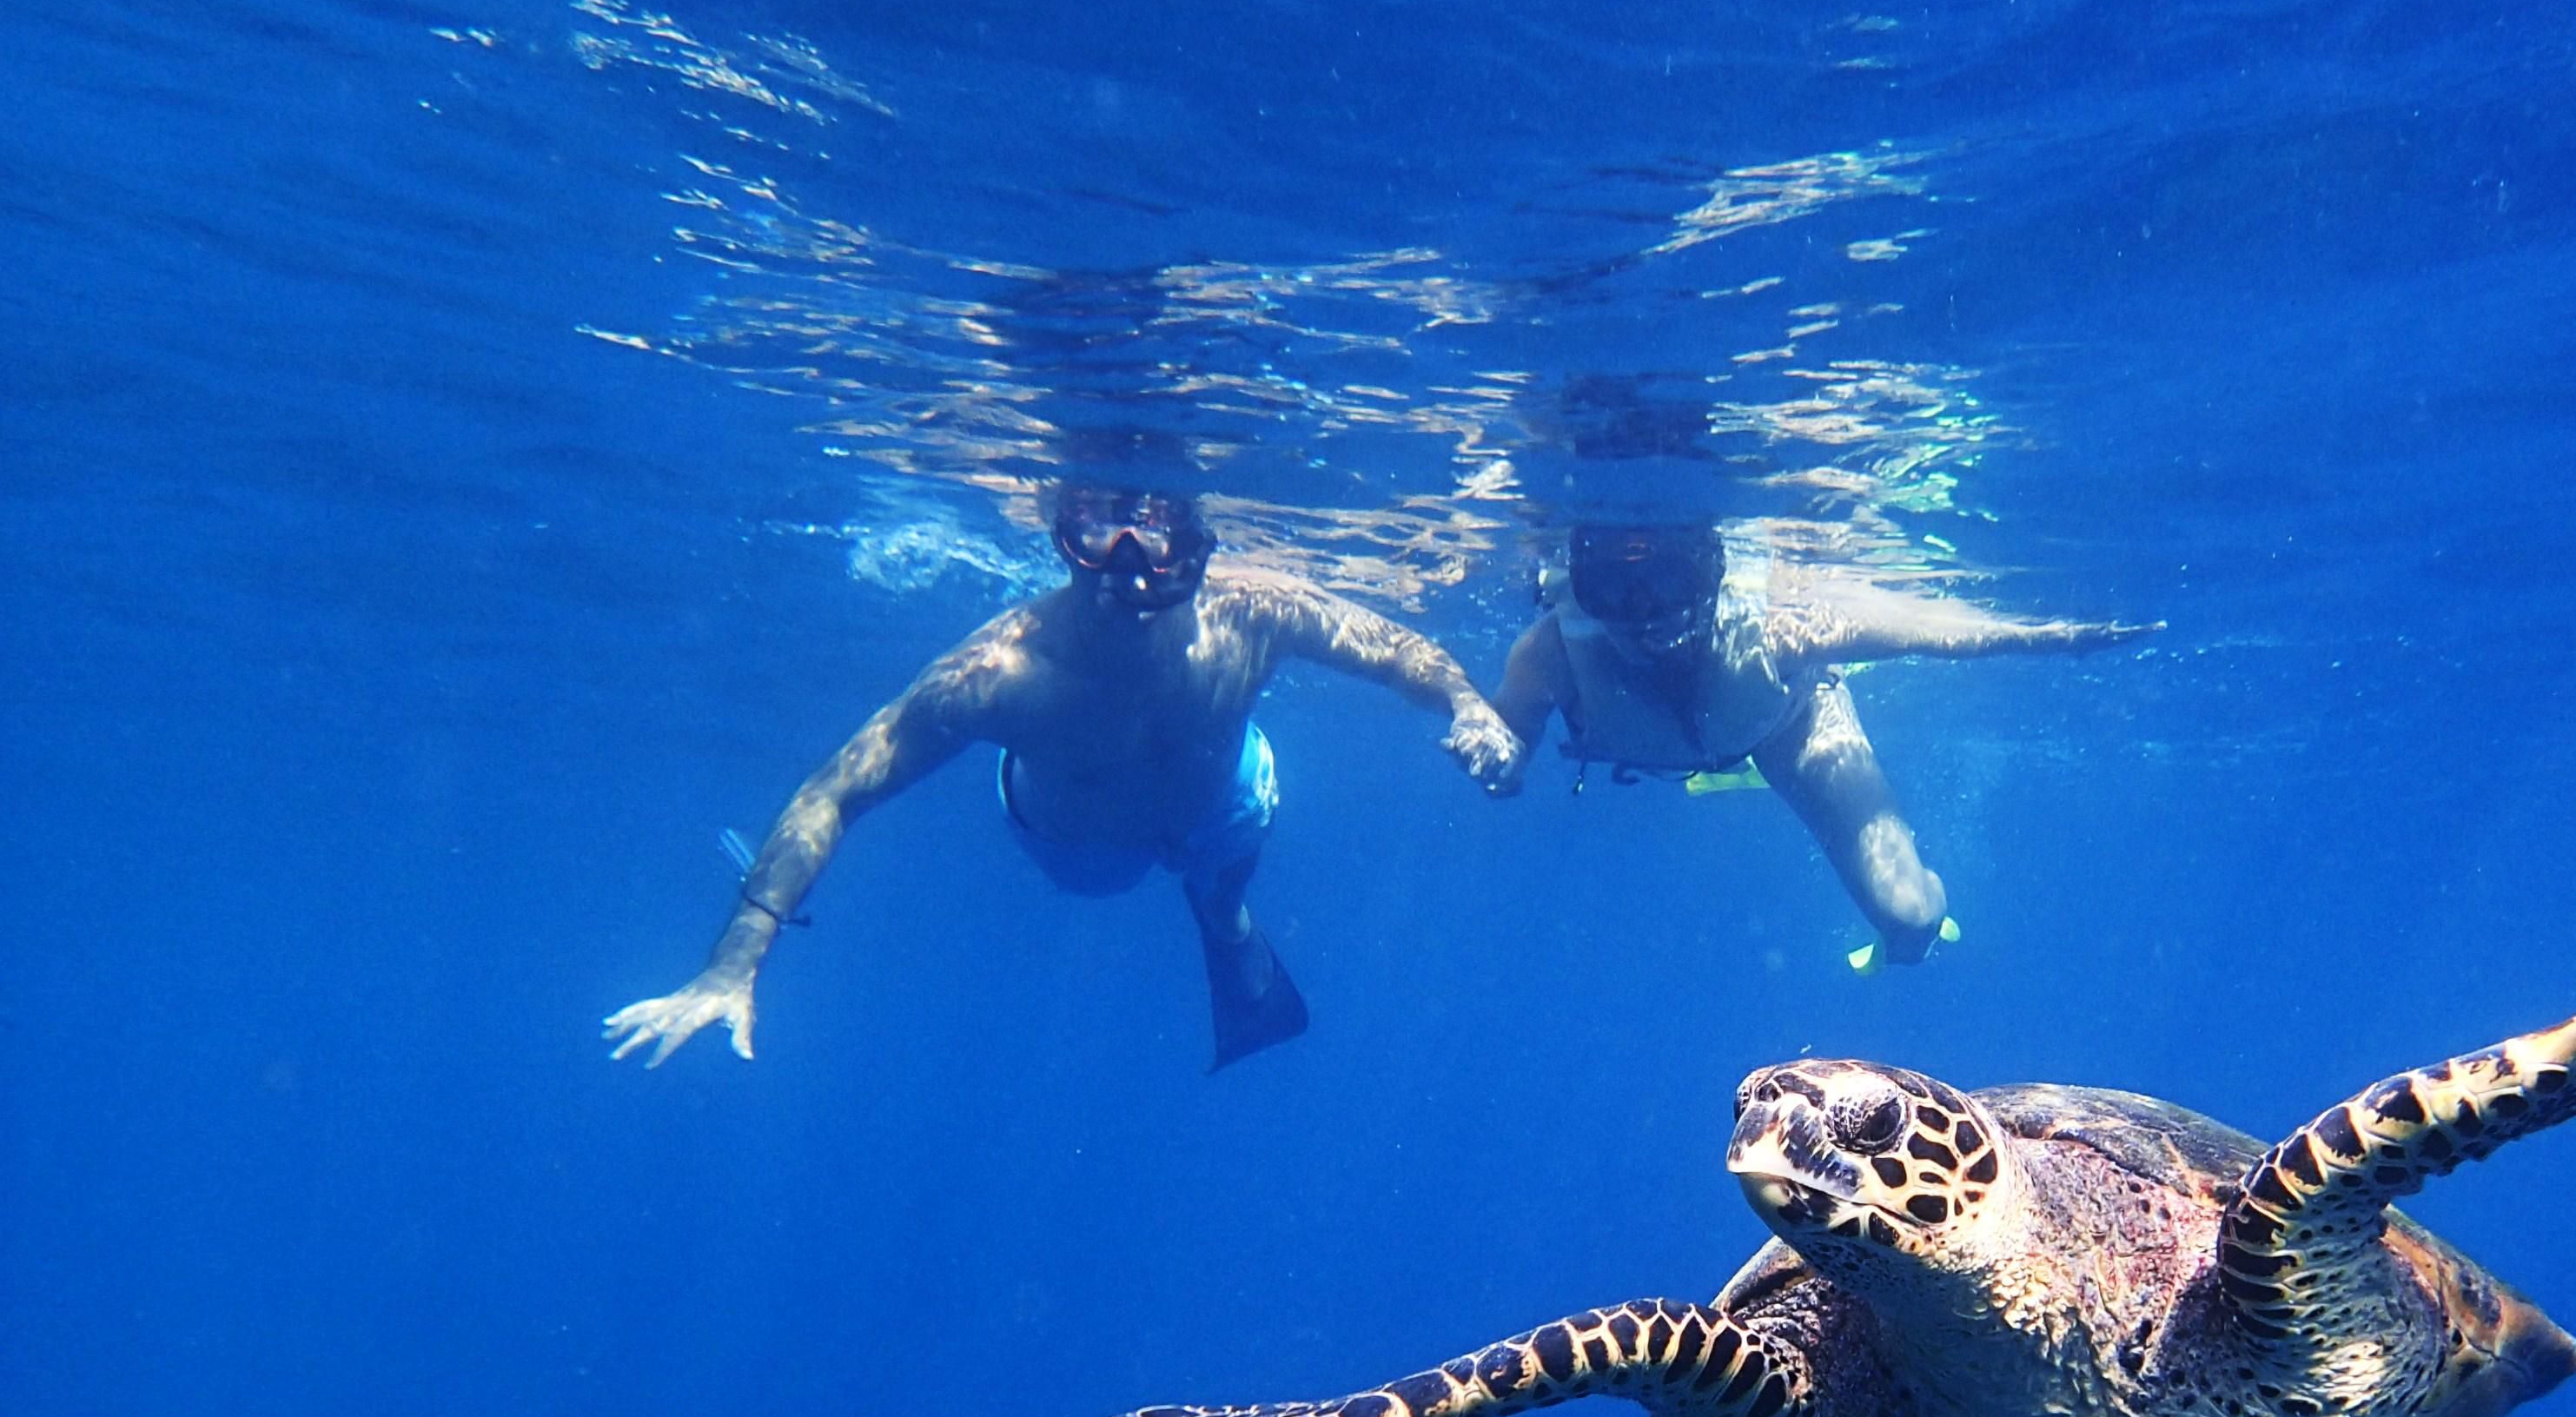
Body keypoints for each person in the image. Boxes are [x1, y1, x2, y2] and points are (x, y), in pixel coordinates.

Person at [606, 485, 1526, 1073]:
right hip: (1077, 846)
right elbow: (833, 791)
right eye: (1096, 535)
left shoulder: (1258, 611)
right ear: (1061, 540)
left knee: (1238, 836)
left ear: (1201, 550)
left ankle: (1223, 915)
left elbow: (1390, 646)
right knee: (1113, 877)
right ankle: (1215, 907)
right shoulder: (1000, 675)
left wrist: (1469, 706)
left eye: (1159, 540)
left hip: (1221, 798)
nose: (1130, 572)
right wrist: (732, 963)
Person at [1488, 522, 2149, 966]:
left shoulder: (1777, 633)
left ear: (1711, 574)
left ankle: (1924, 919)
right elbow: (1505, 737)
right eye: (1609, 588)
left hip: (1790, 725)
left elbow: (1931, 634)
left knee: (1910, 919)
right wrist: (1493, 753)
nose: (1644, 612)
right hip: (1700, 738)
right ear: (1580, 588)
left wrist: (2055, 637)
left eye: (1668, 581)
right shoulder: (1548, 654)